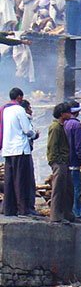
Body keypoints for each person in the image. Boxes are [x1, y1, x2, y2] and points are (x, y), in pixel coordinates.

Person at [0, 88, 35, 216]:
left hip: (7, 149)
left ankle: (9, 209)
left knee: (9, 180)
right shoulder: (19, 109)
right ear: (19, 97)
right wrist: (34, 134)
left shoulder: (5, 109)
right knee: (20, 180)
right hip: (19, 149)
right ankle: (23, 209)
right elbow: (27, 130)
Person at [47, 103, 74, 223]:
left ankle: (66, 214)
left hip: (63, 162)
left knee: (67, 189)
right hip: (59, 163)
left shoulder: (61, 126)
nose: (70, 114)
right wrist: (57, 161)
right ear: (62, 114)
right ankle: (55, 216)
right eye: (68, 112)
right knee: (58, 189)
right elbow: (52, 147)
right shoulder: (55, 127)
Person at [64, 101, 81, 220]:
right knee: (76, 188)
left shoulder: (65, 123)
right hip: (74, 162)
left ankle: (69, 210)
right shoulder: (76, 125)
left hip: (66, 161)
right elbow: (78, 146)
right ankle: (77, 212)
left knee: (68, 188)